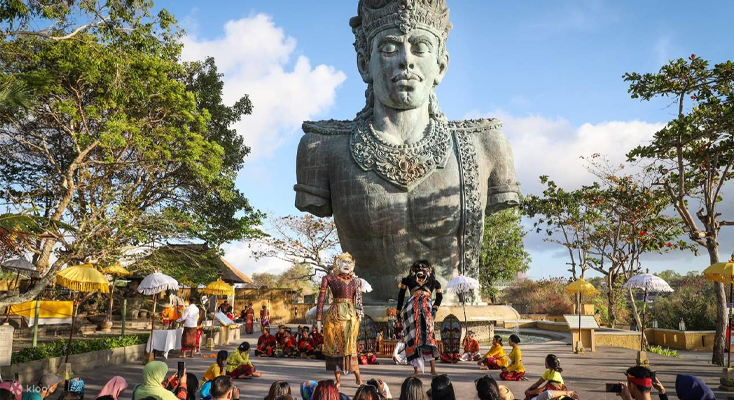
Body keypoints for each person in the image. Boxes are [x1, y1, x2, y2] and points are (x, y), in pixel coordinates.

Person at [316, 253, 365, 388]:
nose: (347, 265)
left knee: (351, 347)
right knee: (335, 347)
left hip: (351, 317)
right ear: (337, 264)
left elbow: (359, 300)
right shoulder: (329, 278)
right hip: (334, 316)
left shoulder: (357, 281)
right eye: (344, 262)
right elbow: (321, 298)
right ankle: (338, 381)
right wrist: (318, 318)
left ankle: (358, 378)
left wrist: (359, 314)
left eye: (350, 262)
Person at [396, 260, 442, 377]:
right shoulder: (407, 280)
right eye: (418, 267)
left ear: (428, 269)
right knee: (412, 338)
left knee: (429, 336)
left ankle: (432, 369)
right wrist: (398, 310)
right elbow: (401, 295)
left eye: (424, 268)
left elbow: (439, 296)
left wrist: (435, 308)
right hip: (411, 310)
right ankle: (416, 370)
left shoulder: (434, 281)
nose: (421, 269)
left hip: (427, 309)